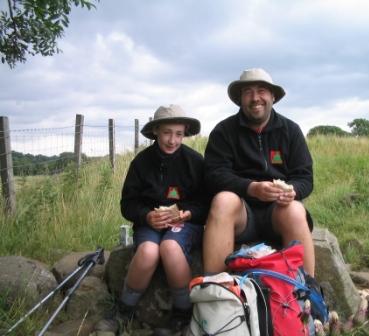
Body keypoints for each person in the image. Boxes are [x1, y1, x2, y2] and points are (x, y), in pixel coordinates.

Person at [203, 68, 315, 277]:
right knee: (223, 200)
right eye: (248, 92)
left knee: (295, 209)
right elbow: (213, 176)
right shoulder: (223, 131)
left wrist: (293, 191)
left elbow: (305, 178)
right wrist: (251, 188)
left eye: (262, 90)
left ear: (273, 96)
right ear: (240, 99)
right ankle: (216, 290)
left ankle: (307, 292)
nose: (255, 98)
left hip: (278, 214)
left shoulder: (291, 130)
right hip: (242, 215)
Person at [111, 105, 207, 334]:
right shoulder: (141, 162)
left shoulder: (195, 161)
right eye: (166, 132)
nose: (172, 140)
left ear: (185, 133)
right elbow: (128, 204)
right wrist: (146, 216)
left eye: (179, 134)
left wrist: (187, 213)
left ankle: (182, 316)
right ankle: (124, 311)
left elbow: (206, 202)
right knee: (147, 252)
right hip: (149, 225)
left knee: (170, 248)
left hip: (186, 225)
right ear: (155, 131)